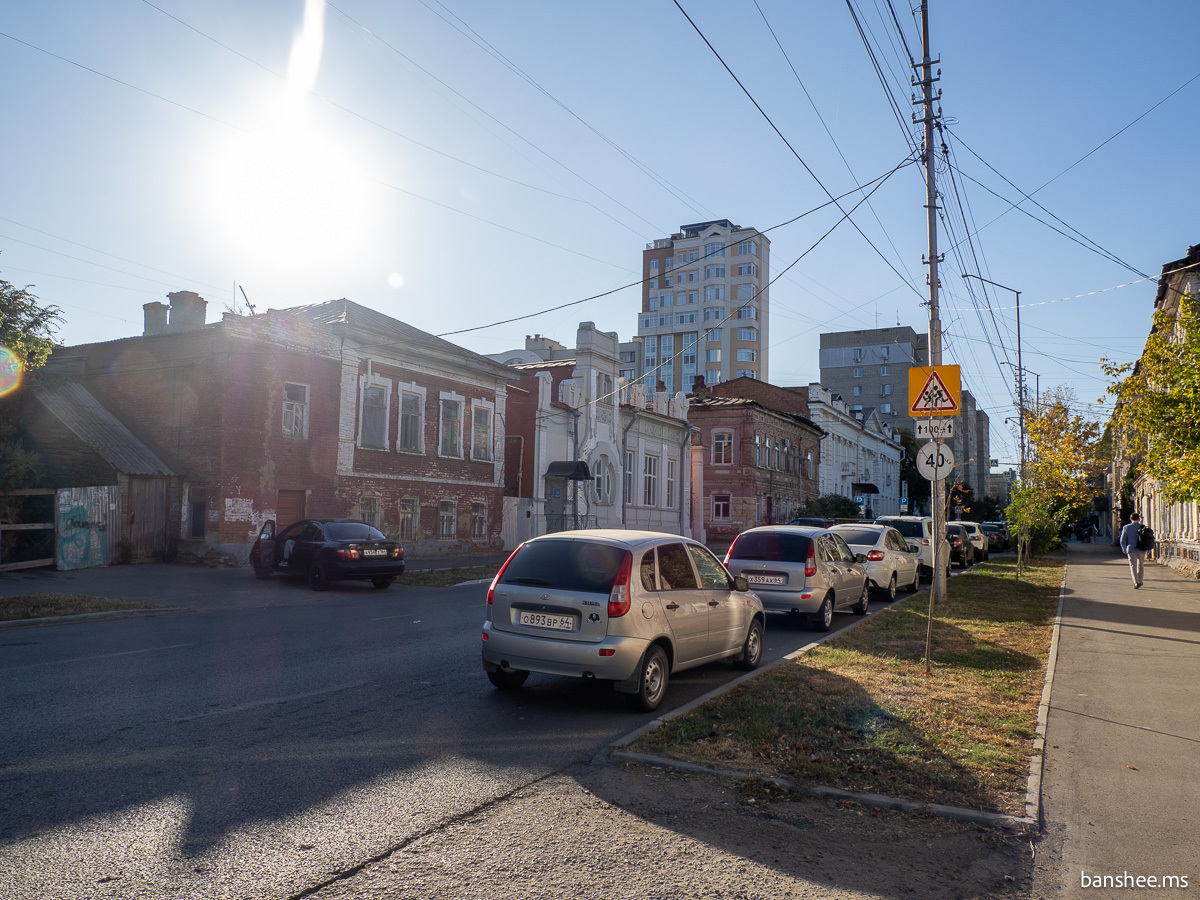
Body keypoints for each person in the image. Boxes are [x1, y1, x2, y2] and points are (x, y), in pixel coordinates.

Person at [1119, 513, 1146, 589]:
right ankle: (1140, 580)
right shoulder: (1142, 527)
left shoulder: (1126, 527)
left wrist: (1124, 548)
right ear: (1139, 519)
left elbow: (1122, 540)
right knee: (1141, 565)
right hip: (1141, 548)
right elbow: (1147, 538)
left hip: (1131, 549)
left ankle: (1135, 582)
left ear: (1130, 519)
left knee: (1133, 565)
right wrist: (1148, 549)